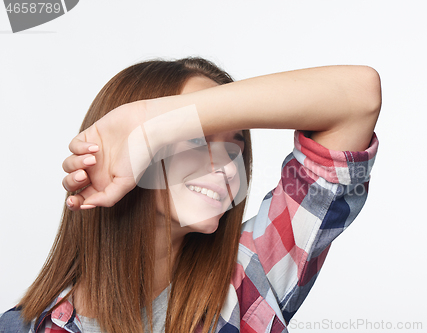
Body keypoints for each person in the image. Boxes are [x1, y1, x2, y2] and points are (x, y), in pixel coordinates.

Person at [0, 57, 380, 333]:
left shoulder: (250, 278)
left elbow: (357, 98)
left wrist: (154, 123)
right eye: (196, 141)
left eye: (235, 147)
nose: (229, 168)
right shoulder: (25, 328)